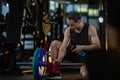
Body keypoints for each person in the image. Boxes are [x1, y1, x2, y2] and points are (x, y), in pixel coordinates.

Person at [46, 11, 101, 79]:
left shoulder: (90, 29)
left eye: (72, 25)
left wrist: (81, 47)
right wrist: (58, 61)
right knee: (54, 43)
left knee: (85, 73)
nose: (70, 27)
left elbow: (98, 46)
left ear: (79, 22)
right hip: (73, 52)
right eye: (69, 25)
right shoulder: (68, 30)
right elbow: (63, 47)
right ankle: (55, 71)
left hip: (85, 56)